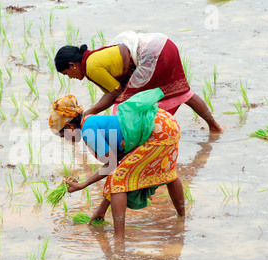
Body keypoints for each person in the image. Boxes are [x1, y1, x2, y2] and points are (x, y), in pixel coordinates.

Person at [48, 88, 185, 241]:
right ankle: (182, 218)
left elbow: (111, 165)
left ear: (69, 127)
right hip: (165, 122)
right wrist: (101, 210)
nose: (66, 140)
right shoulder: (91, 120)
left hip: (154, 130)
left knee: (117, 180)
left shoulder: (87, 130)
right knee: (168, 173)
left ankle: (119, 239)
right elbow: (117, 162)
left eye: (63, 136)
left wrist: (83, 184)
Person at [54, 30, 224, 133]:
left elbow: (115, 93)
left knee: (122, 107)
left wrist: (88, 113)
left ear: (72, 65)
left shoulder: (90, 66)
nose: (70, 77)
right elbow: (113, 90)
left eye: (67, 73)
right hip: (164, 45)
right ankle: (214, 126)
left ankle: (132, 144)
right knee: (182, 92)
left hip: (152, 55)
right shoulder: (92, 58)